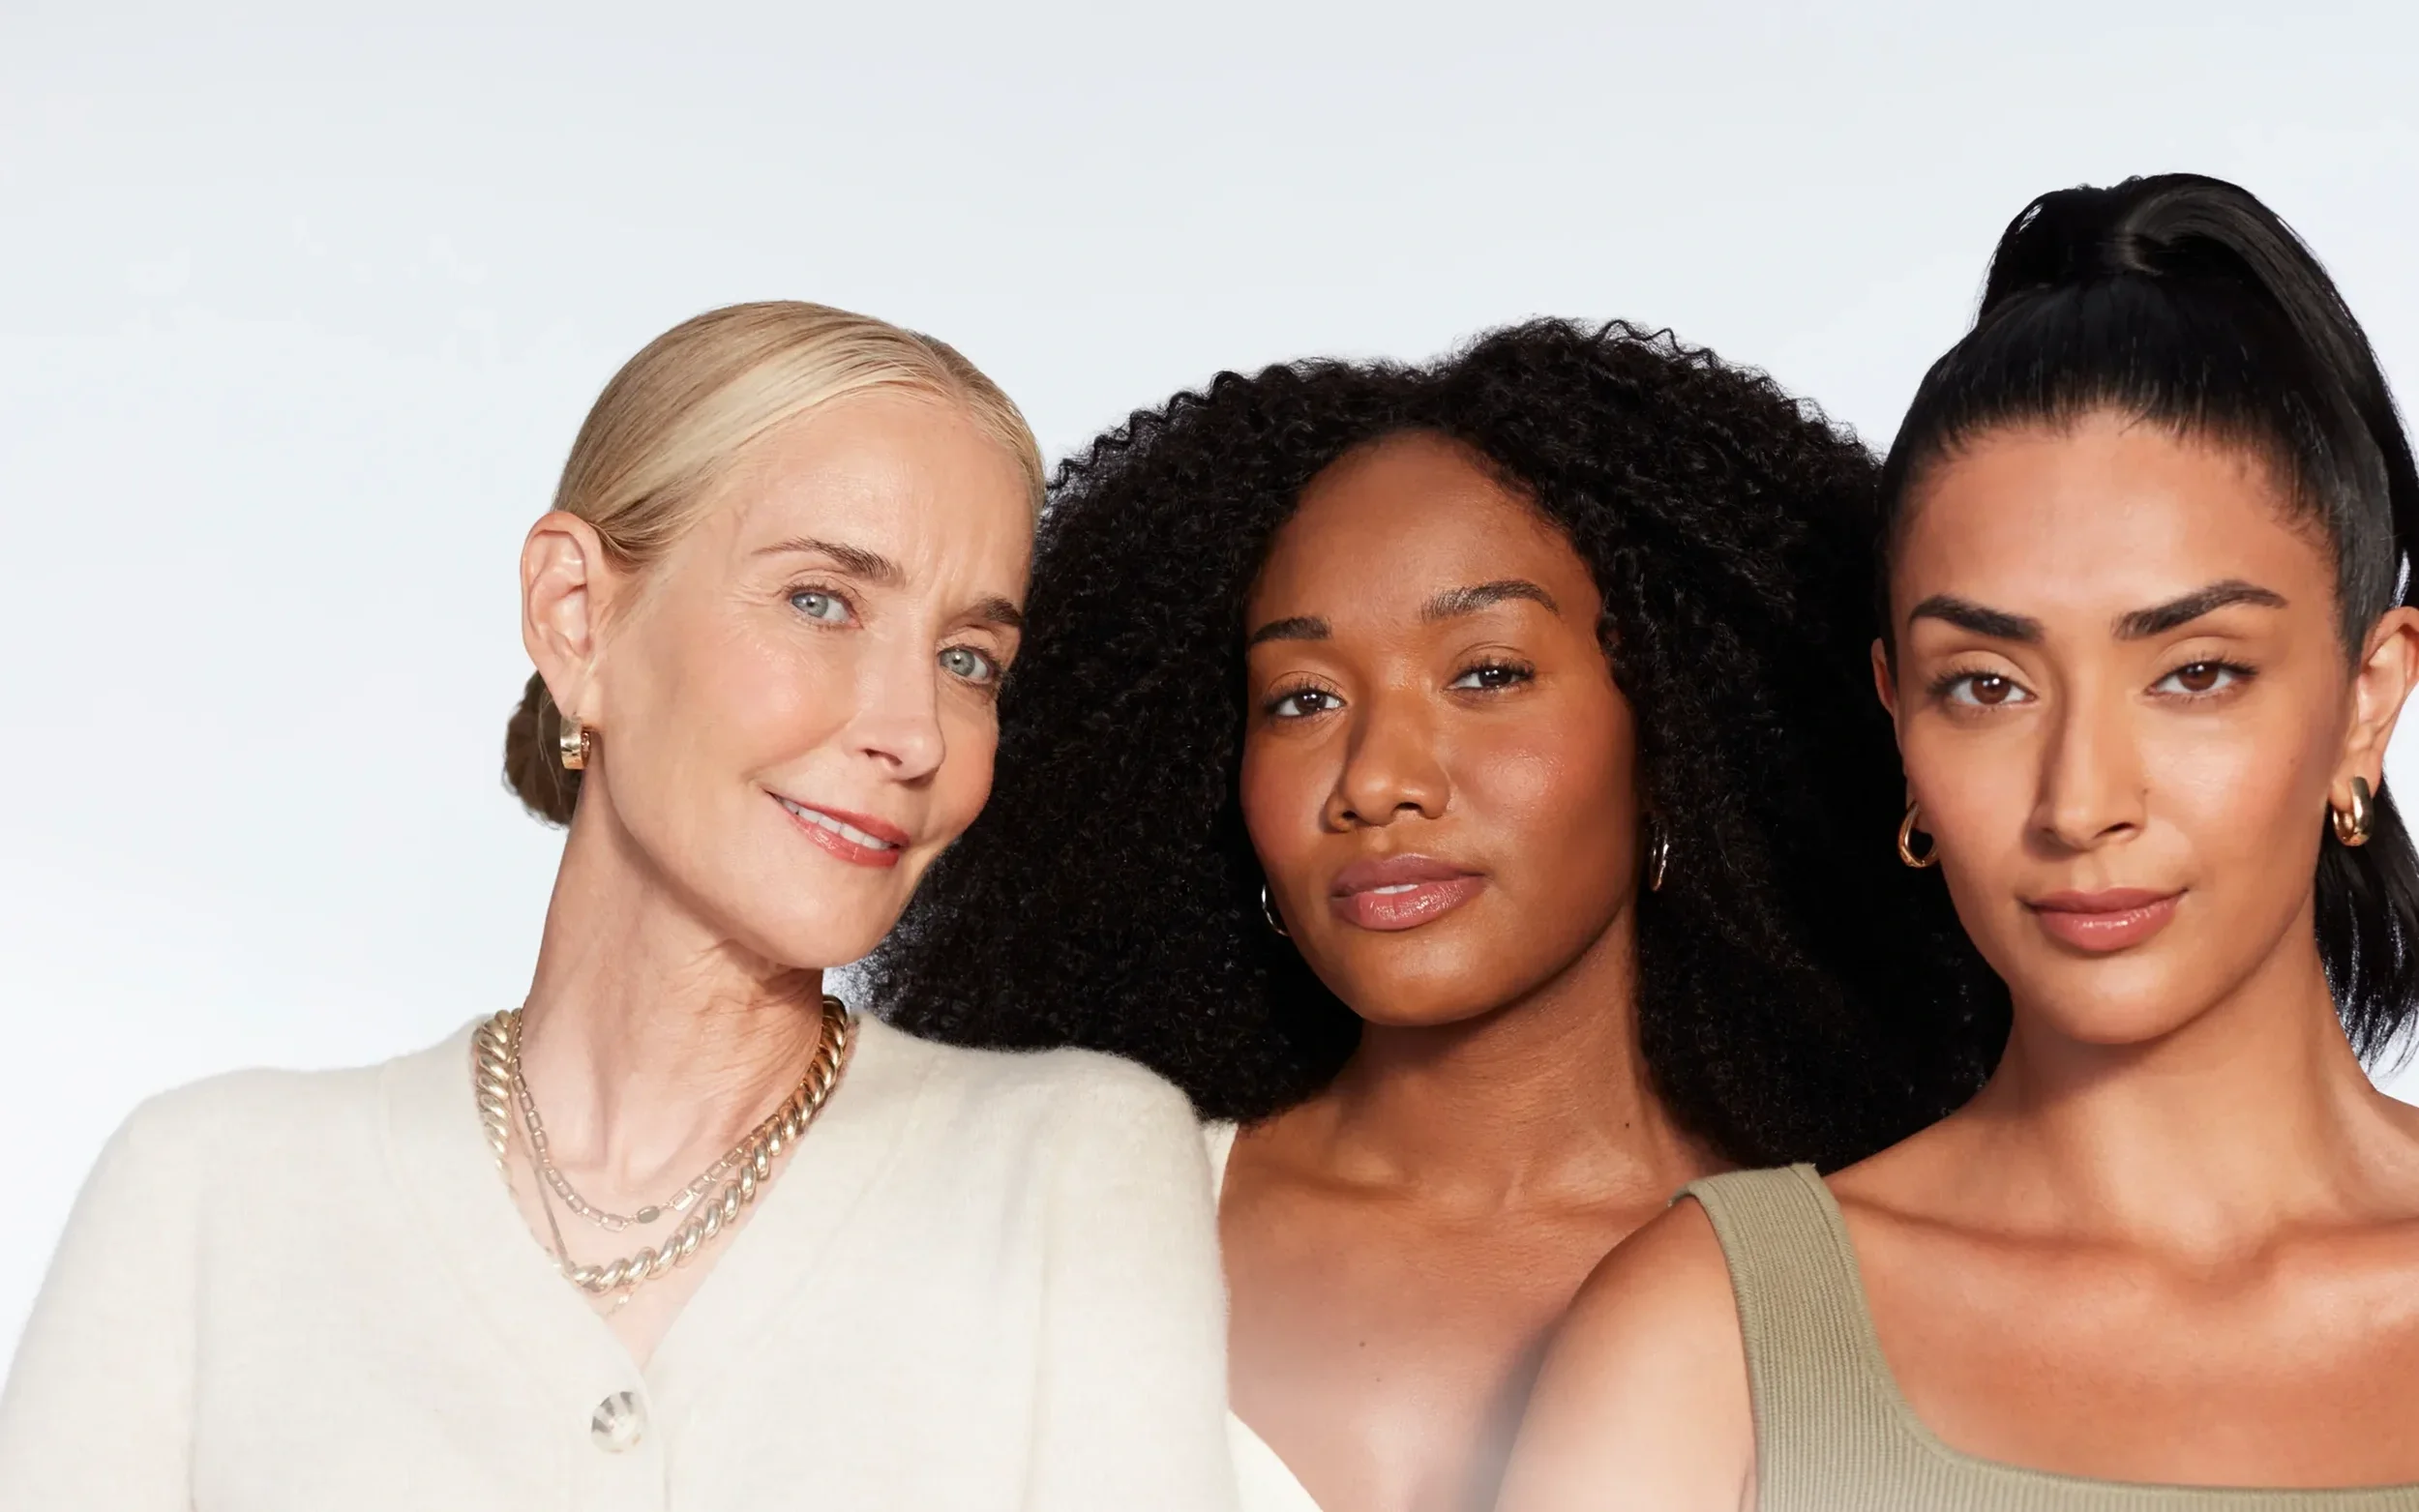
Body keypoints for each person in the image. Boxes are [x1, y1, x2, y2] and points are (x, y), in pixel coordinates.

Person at [0, 301, 1238, 1512]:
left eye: (968, 661)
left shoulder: (1070, 1170)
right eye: (821, 601)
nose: (914, 733)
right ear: (578, 617)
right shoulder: (210, 1192)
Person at [871, 320, 2005, 1512]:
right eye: (1302, 699)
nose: (1374, 780)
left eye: (1486, 674)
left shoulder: (1873, 1288)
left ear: (1676, 730)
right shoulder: (1052, 1227)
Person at [1499, 175, 2419, 1510]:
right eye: (1987, 685)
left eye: (2195, 672)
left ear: (2366, 702)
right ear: (1899, 720)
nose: (2080, 802)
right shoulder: (1712, 1341)